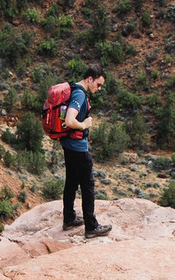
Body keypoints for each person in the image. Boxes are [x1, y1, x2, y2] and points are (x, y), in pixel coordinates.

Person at [61, 65, 111, 238]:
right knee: (88, 186)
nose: (99, 88)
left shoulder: (73, 88)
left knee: (71, 183)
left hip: (68, 144)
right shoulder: (79, 94)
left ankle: (68, 218)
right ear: (90, 79)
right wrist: (84, 125)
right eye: (98, 84)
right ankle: (91, 227)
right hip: (78, 148)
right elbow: (69, 120)